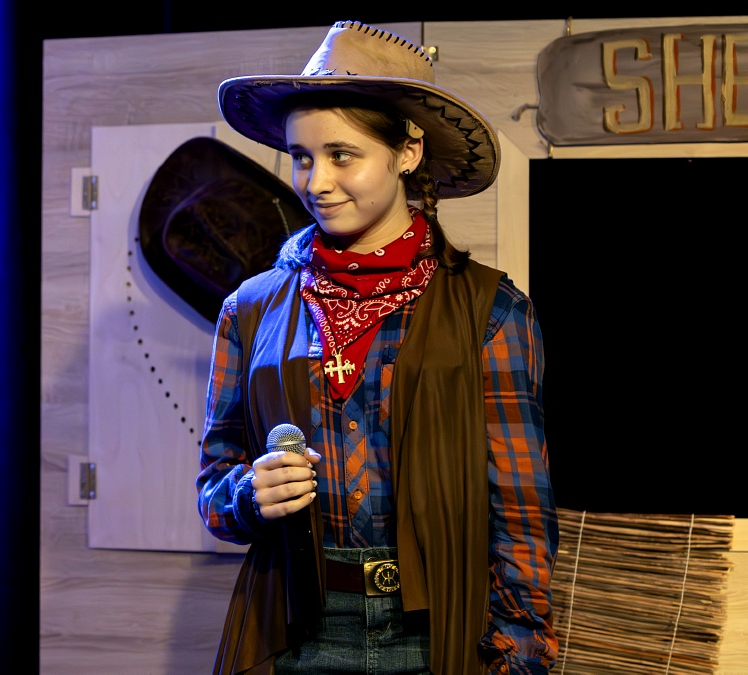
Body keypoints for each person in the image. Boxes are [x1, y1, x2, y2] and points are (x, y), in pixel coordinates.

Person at [195, 20, 559, 675]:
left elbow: (521, 510)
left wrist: (520, 652)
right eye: (302, 157)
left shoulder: (490, 310)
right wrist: (249, 494)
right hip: (291, 629)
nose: (316, 181)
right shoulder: (249, 310)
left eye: (342, 155)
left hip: (436, 632)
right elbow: (215, 489)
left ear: (408, 152)